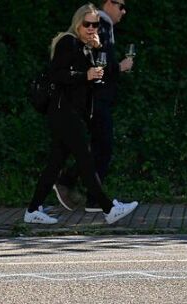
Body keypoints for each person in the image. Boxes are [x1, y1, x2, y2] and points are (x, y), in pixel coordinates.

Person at [24, 5, 138, 225]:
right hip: (63, 110)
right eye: (87, 24)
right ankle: (108, 209)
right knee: (85, 159)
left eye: (95, 25)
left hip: (72, 111)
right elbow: (58, 74)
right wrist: (84, 73)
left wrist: (96, 50)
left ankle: (32, 210)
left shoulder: (84, 46)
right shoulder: (68, 41)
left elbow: (95, 77)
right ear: (77, 23)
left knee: (55, 163)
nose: (91, 28)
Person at [53, 0, 134, 213]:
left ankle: (74, 187)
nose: (123, 11)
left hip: (92, 96)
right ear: (109, 3)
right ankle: (86, 195)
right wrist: (121, 67)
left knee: (95, 147)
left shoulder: (99, 25)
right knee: (102, 147)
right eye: (121, 5)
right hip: (97, 97)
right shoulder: (101, 24)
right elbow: (99, 64)